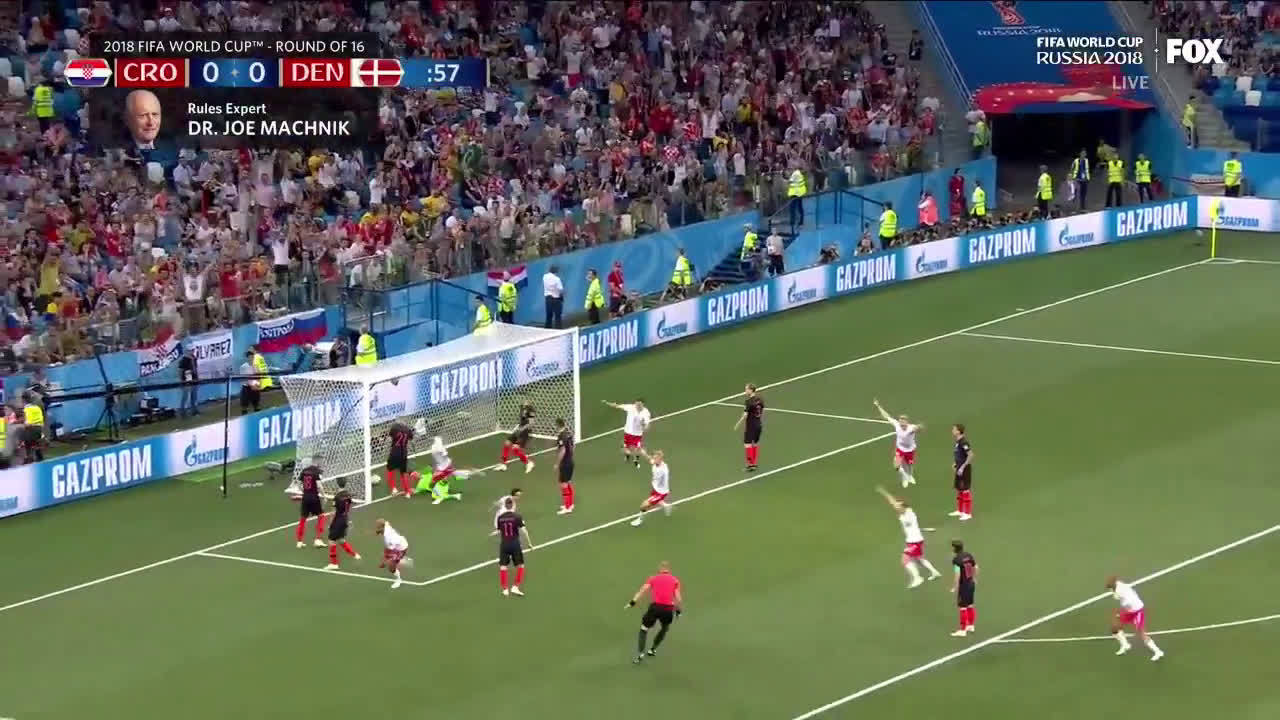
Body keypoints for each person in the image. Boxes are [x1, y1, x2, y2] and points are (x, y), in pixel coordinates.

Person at [876, 486, 942, 588]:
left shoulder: (908, 513)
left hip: (915, 541)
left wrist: (887, 496)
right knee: (919, 559)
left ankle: (917, 578)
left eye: (898, 505)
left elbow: (896, 506)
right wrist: (884, 493)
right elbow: (894, 503)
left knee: (905, 560)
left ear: (903, 506)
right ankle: (935, 572)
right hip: (914, 540)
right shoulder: (906, 512)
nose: (896, 507)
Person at [627, 561, 683, 664]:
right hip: (668, 609)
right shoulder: (675, 580)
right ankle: (653, 649)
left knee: (644, 629)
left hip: (655, 608)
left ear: (659, 569)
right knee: (665, 628)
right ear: (669, 570)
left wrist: (632, 602)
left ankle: (641, 654)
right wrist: (678, 611)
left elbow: (643, 590)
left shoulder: (653, 578)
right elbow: (678, 598)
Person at [1106, 576, 1164, 661]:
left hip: (1137, 611)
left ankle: (1158, 651)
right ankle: (1125, 645)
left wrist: (1121, 612)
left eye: (1110, 589)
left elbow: (1126, 603)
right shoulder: (1119, 585)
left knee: (1142, 633)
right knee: (1114, 628)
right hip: (1130, 610)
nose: (1110, 590)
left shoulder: (1119, 593)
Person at [874, 399, 922, 488]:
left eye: (903, 422)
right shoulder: (897, 425)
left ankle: (910, 476)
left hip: (910, 450)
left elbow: (918, 428)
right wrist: (878, 406)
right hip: (900, 449)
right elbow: (886, 416)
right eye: (900, 421)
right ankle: (905, 477)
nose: (901, 423)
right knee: (896, 466)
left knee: (909, 465)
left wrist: (919, 427)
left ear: (907, 422)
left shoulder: (911, 428)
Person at [496, 496, 533, 597]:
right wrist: (529, 543)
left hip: (504, 544)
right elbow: (524, 531)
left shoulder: (500, 518)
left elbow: (499, 530)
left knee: (503, 566)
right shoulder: (517, 516)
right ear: (513, 505)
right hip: (515, 543)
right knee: (520, 565)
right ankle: (515, 587)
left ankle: (505, 589)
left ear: (505, 506)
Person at [323, 478, 361, 569]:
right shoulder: (348, 495)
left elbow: (333, 512)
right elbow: (349, 507)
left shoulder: (337, 497)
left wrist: (330, 523)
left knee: (331, 541)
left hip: (338, 520)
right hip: (345, 518)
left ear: (337, 484)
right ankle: (355, 554)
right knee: (341, 539)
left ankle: (334, 563)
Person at [630, 448, 672, 527]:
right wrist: (643, 452)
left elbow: (657, 476)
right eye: (654, 458)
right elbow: (650, 459)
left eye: (656, 458)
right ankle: (667, 506)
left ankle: (639, 520)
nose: (654, 460)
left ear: (660, 459)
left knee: (644, 505)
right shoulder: (657, 463)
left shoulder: (662, 470)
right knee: (655, 501)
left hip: (660, 493)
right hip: (656, 489)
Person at [604, 398, 651, 467]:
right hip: (628, 432)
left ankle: (637, 459)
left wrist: (644, 425)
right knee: (626, 447)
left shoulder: (646, 413)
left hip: (637, 434)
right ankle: (628, 455)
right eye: (636, 404)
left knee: (638, 449)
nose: (637, 406)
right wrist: (608, 403)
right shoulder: (630, 407)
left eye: (639, 405)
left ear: (643, 405)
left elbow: (647, 426)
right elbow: (618, 406)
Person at [420, 435, 463, 504]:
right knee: (434, 483)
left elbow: (443, 456)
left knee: (433, 483)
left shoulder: (439, 448)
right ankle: (454, 494)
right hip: (442, 467)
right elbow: (440, 457)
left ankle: (441, 496)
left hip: (443, 468)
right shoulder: (436, 448)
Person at [295, 461, 327, 548]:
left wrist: (304, 492)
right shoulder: (315, 472)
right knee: (321, 516)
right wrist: (324, 496)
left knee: (303, 519)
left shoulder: (304, 471)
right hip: (314, 498)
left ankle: (299, 541)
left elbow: (298, 484)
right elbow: (319, 486)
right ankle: (318, 539)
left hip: (305, 498)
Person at [496, 401, 535, 473]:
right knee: (507, 443)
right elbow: (521, 421)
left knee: (515, 449)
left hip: (524, 432)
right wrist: (517, 427)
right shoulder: (522, 409)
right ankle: (503, 464)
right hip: (518, 430)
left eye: (526, 403)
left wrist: (522, 429)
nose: (524, 403)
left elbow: (531, 424)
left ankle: (528, 463)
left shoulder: (531, 411)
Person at [950, 540, 979, 637]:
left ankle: (963, 630)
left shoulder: (956, 560)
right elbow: (976, 567)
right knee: (970, 605)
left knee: (962, 607)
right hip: (971, 583)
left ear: (954, 548)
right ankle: (971, 625)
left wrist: (955, 587)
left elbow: (957, 574)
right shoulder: (968, 555)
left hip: (964, 585)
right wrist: (974, 578)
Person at [733, 384, 764, 471]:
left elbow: (745, 415)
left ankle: (750, 464)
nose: (745, 391)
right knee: (755, 444)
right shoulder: (760, 400)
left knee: (747, 444)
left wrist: (737, 424)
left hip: (751, 426)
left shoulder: (748, 402)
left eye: (746, 389)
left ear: (751, 390)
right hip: (758, 424)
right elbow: (762, 411)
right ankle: (754, 463)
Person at [374, 518, 412, 589]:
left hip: (400, 549)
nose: (376, 527)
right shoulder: (386, 525)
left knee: (391, 567)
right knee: (388, 556)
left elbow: (390, 551)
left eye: (378, 527)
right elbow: (386, 522)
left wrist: (384, 562)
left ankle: (398, 580)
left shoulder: (389, 538)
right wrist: (379, 531)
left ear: (382, 527)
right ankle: (401, 559)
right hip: (401, 542)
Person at [950, 424, 974, 521]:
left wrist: (963, 467)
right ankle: (960, 511)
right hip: (959, 467)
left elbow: (971, 455)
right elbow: (960, 455)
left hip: (964, 469)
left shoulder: (964, 442)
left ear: (959, 431)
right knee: (959, 489)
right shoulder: (958, 442)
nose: (952, 431)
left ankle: (967, 513)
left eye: (954, 429)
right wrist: (955, 464)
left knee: (965, 489)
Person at [385, 420, 415, 497]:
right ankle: (407, 492)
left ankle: (393, 488)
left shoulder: (395, 427)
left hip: (395, 451)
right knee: (403, 473)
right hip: (404, 453)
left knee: (390, 470)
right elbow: (411, 439)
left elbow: (389, 438)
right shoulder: (408, 430)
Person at [555, 417, 576, 514]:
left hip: (565, 463)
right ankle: (570, 504)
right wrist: (570, 456)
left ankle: (567, 507)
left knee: (563, 484)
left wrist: (557, 463)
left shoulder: (561, 436)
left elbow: (562, 450)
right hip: (570, 461)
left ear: (557, 425)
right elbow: (573, 446)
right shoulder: (569, 433)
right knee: (568, 482)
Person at [20, 392, 45, 463]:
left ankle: (29, 459)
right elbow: (42, 418)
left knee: (27, 443)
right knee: (35, 443)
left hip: (31, 428)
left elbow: (26, 422)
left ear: (23, 400)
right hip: (39, 428)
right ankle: (39, 458)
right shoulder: (37, 408)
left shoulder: (26, 409)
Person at [178, 348, 198, 417]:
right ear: (187, 351)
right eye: (191, 350)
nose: (192, 351)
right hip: (186, 380)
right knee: (185, 396)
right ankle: (183, 412)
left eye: (193, 350)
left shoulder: (194, 358)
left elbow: (195, 369)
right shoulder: (183, 360)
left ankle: (194, 410)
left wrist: (197, 378)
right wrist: (182, 380)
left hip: (194, 379)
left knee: (194, 396)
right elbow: (180, 371)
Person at [542, 264, 564, 329]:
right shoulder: (557, 279)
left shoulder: (544, 277)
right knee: (558, 316)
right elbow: (560, 289)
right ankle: (558, 329)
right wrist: (562, 296)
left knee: (549, 315)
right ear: (556, 271)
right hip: (556, 299)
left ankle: (547, 329)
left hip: (548, 298)